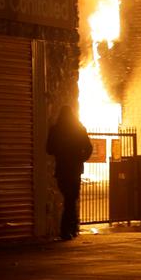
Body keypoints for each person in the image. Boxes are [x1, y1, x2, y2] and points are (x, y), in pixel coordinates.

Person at [46, 103, 93, 240]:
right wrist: (81, 158)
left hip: (62, 169)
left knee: (69, 198)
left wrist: (60, 152)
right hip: (75, 169)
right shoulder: (79, 129)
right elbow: (89, 148)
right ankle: (69, 229)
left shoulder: (56, 130)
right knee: (71, 199)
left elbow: (49, 149)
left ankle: (67, 230)